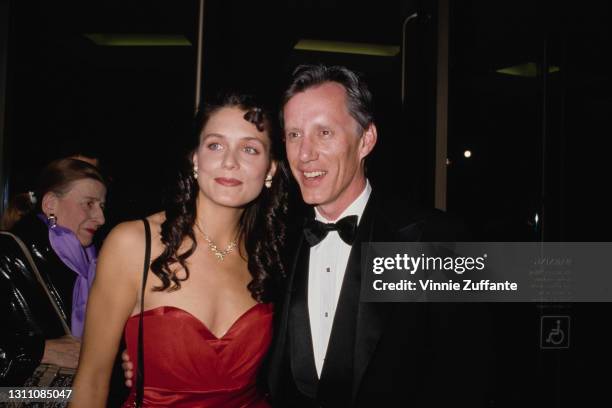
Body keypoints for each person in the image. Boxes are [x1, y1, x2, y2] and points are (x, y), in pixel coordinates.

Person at [263, 64, 489, 407]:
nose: (304, 153)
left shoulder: (433, 240)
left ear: (366, 140)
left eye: (324, 133)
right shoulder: (276, 241)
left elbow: (469, 379)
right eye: (294, 134)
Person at [70, 92, 288, 407]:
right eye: (215, 145)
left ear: (270, 169)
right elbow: (90, 382)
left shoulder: (275, 255)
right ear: (195, 159)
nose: (230, 161)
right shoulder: (134, 243)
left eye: (250, 149)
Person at [0, 158, 107, 385]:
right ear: (50, 205)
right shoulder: (7, 252)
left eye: (102, 206)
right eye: (89, 204)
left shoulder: (90, 264)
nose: (101, 218)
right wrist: (40, 350)